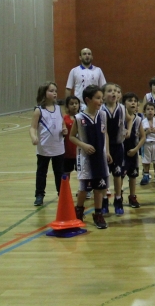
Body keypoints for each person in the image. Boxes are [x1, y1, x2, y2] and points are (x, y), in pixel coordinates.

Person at [69, 85, 111, 229]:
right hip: (86, 159)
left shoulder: (103, 115)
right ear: (88, 100)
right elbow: (71, 137)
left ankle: (98, 213)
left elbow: (105, 134)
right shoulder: (79, 118)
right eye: (98, 98)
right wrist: (83, 145)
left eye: (101, 98)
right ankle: (79, 211)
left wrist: (107, 151)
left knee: (99, 188)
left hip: (100, 157)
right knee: (84, 188)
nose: (101, 101)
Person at [29, 82, 67, 206]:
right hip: (44, 148)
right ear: (44, 93)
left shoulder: (58, 109)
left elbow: (62, 123)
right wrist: (34, 137)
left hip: (58, 147)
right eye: (51, 91)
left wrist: (64, 129)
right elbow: (33, 127)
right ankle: (39, 195)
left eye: (55, 91)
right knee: (41, 172)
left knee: (59, 173)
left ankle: (62, 194)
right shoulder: (39, 110)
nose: (54, 93)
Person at [101, 83, 126, 215]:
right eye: (110, 91)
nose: (113, 93)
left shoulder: (122, 108)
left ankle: (118, 199)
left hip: (118, 146)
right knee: (105, 175)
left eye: (115, 91)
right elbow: (104, 132)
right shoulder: (101, 110)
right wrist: (107, 151)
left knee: (117, 174)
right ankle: (104, 200)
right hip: (105, 147)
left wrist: (127, 130)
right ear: (103, 96)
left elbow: (128, 120)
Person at [122, 93, 144, 209]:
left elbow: (143, 137)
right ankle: (118, 196)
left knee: (133, 176)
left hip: (133, 152)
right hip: (121, 152)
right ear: (124, 103)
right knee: (120, 176)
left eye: (135, 101)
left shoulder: (138, 119)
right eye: (130, 100)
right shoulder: (120, 118)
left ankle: (132, 196)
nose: (133, 103)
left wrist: (136, 149)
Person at [140, 102, 155, 185]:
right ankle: (146, 175)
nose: (150, 111)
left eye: (152, 109)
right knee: (146, 161)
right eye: (148, 109)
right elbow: (139, 134)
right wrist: (146, 132)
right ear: (144, 112)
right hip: (146, 144)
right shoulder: (142, 122)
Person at [61, 95, 80, 184]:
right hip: (67, 151)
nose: (74, 105)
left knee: (81, 173)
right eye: (71, 104)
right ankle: (65, 189)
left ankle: (83, 189)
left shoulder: (82, 117)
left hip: (79, 152)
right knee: (66, 172)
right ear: (67, 106)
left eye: (76, 103)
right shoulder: (64, 119)